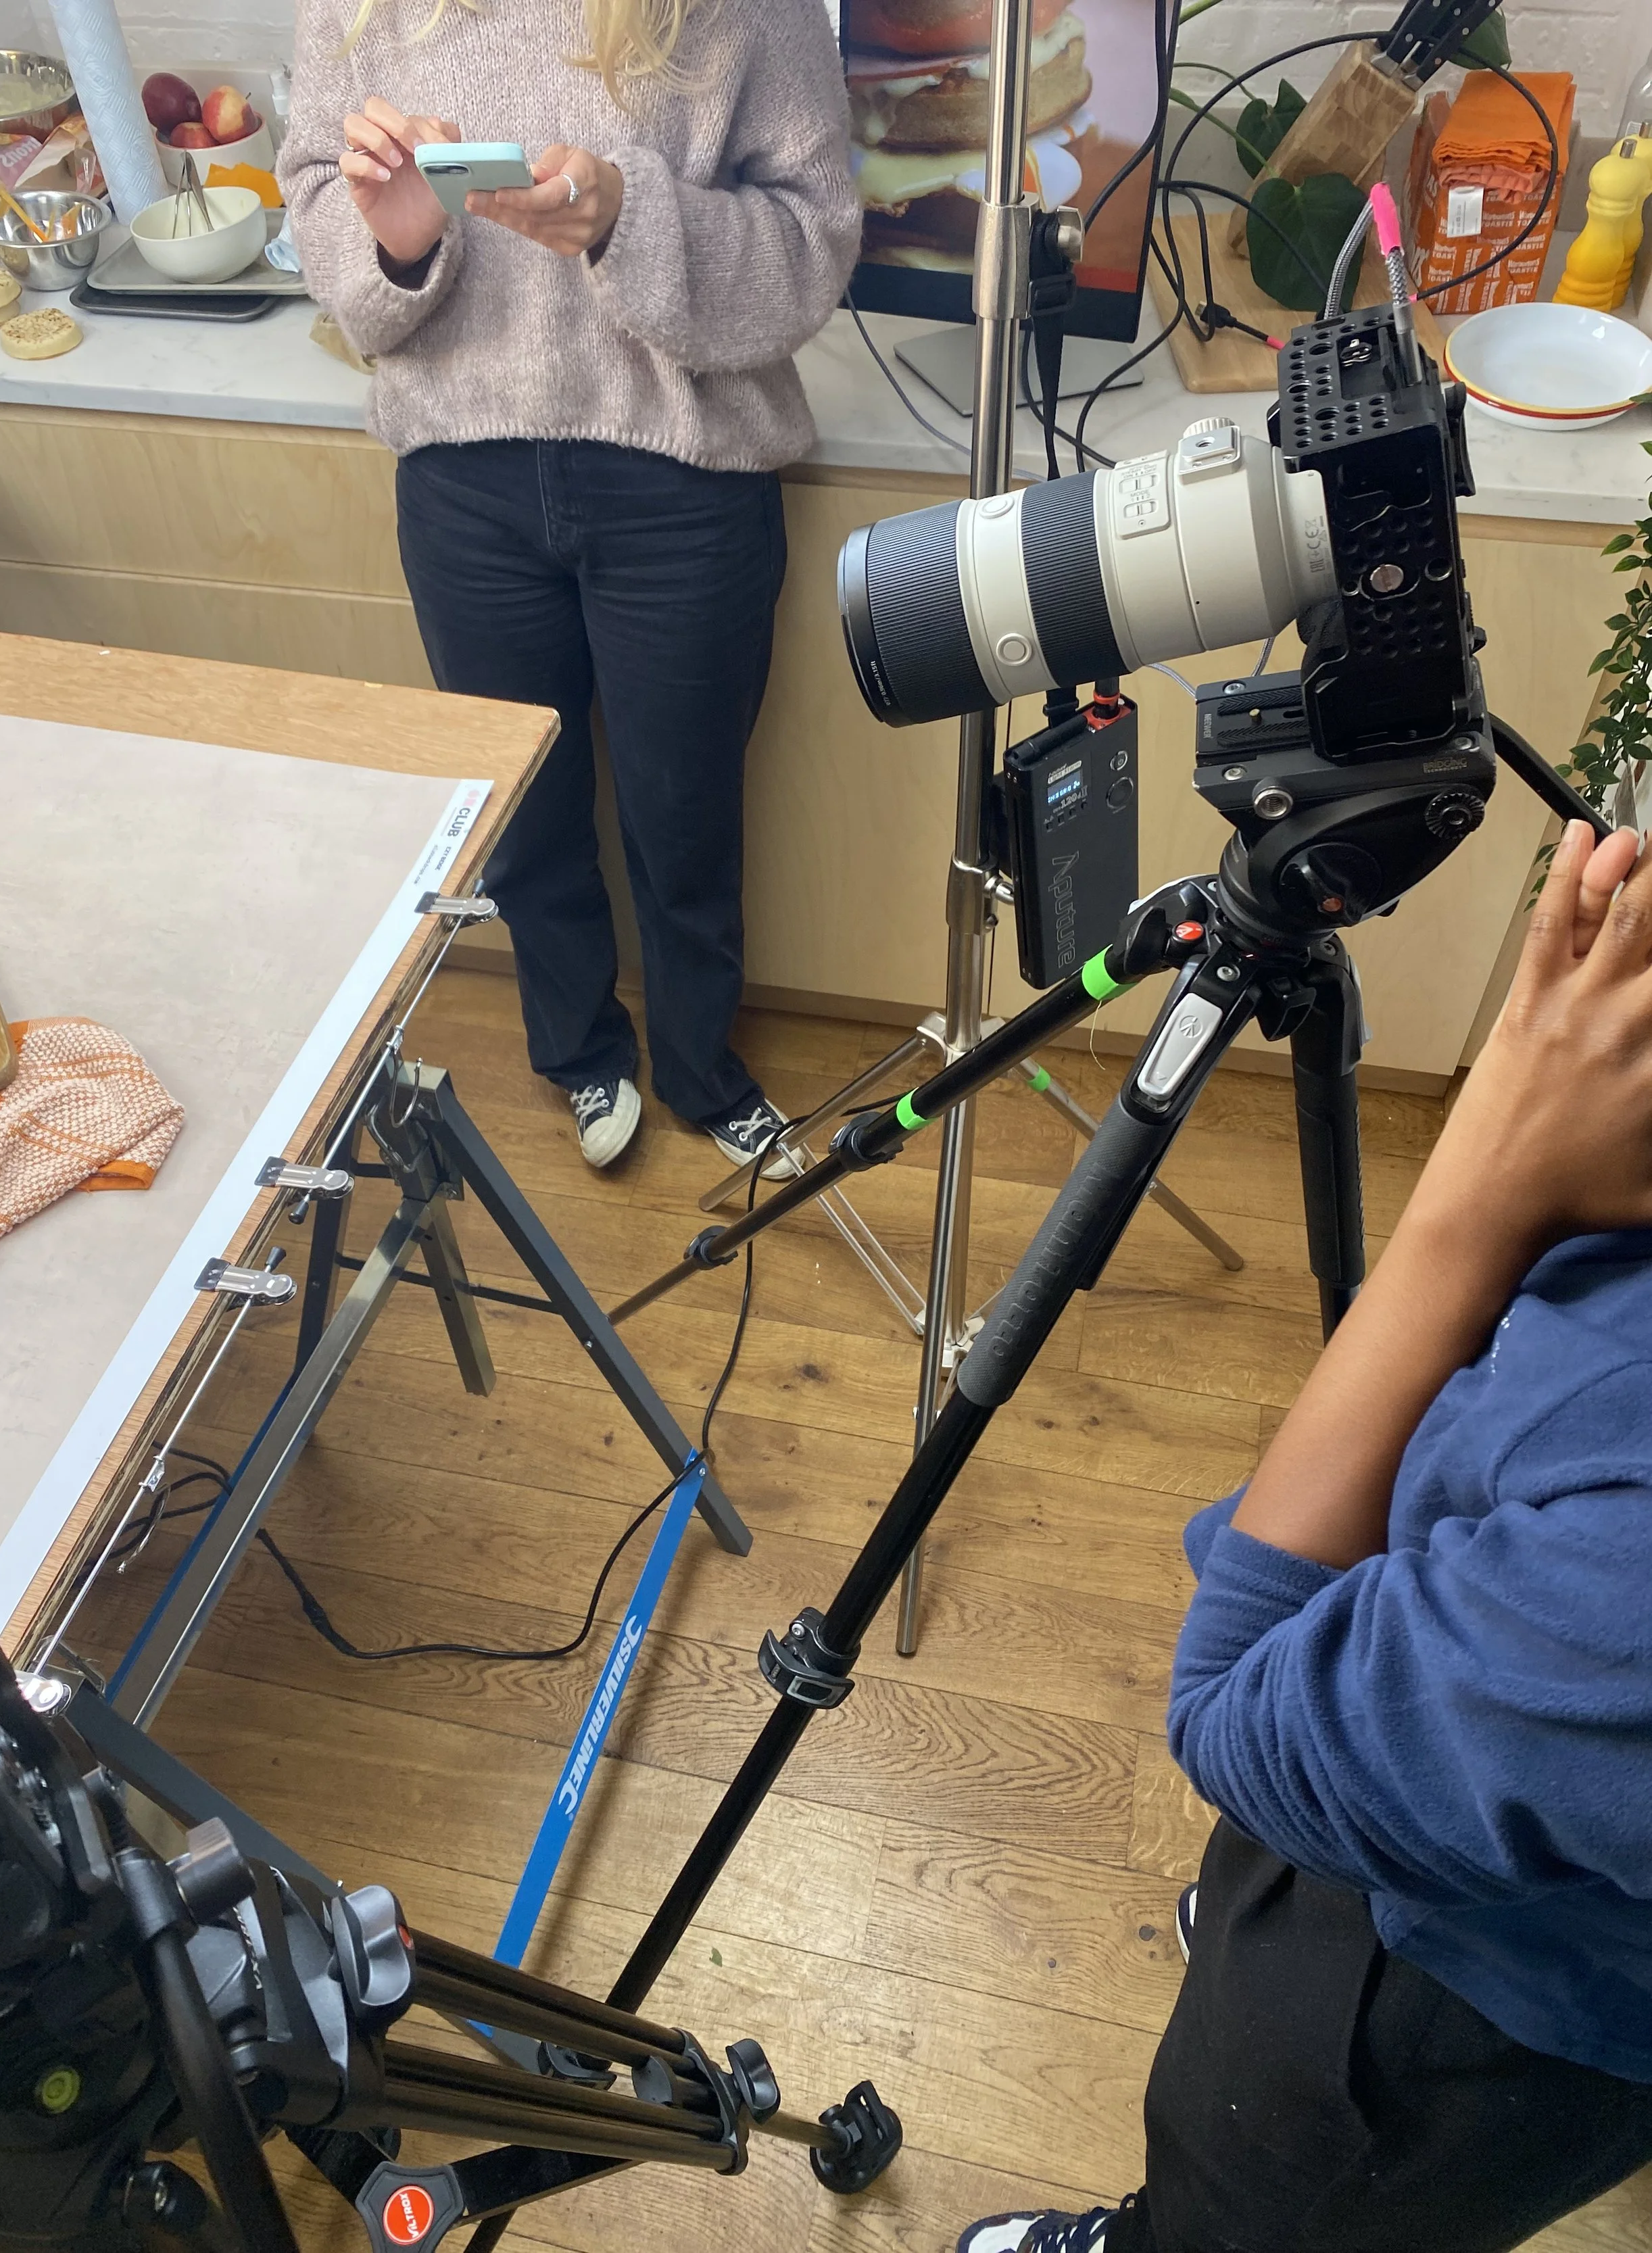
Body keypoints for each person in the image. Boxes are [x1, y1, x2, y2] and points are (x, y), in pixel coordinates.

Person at [960, 817, 1652, 2253]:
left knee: (1246, 2201)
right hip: (1463, 1792)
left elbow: (1227, 1702)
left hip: (1452, 2006)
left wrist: (1488, 1176)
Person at [280, 0, 860, 1170]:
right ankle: (581, 1057)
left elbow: (815, 242)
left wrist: (630, 216)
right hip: (459, 474)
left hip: (686, 476)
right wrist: (391, 239)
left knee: (682, 808)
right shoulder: (359, 8)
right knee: (526, 814)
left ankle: (700, 1068)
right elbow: (316, 209)